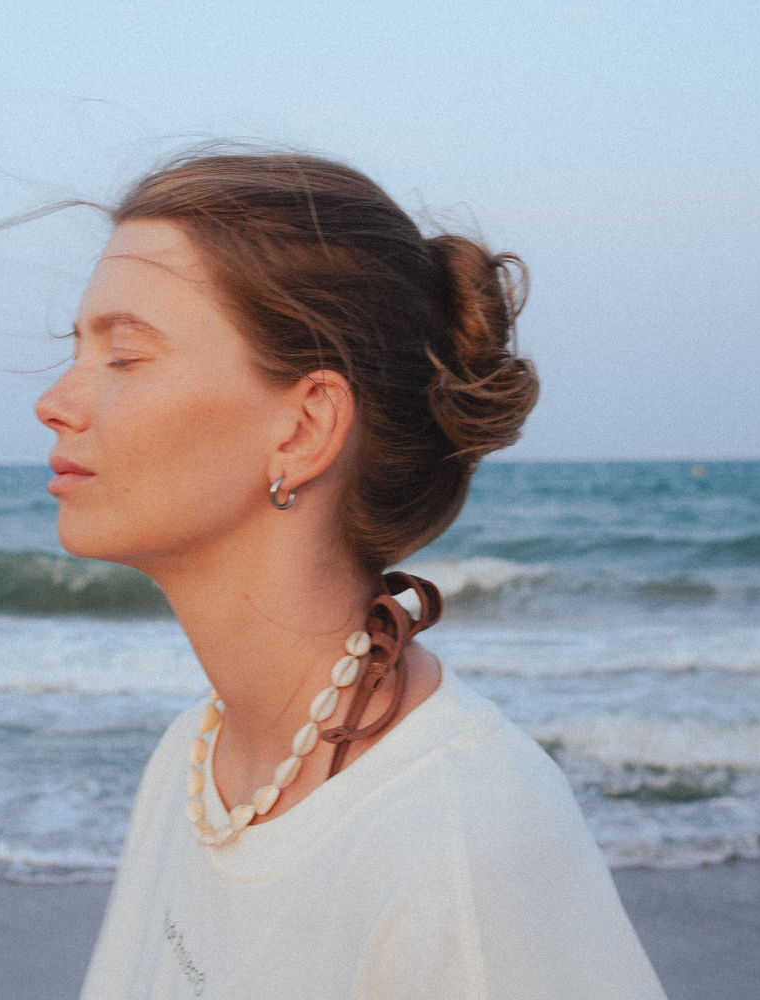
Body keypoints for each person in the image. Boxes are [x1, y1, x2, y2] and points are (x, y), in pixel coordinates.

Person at [34, 149, 666, 999]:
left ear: (305, 427)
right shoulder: (192, 765)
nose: (54, 402)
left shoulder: (461, 848)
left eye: (124, 356)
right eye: (76, 349)